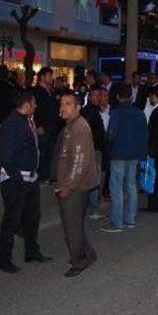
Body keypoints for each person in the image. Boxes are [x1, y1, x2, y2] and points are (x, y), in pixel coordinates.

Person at [0, 90, 52, 273]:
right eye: (34, 102)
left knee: (32, 217)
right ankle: (3, 259)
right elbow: (5, 156)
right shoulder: (12, 124)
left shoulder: (28, 120)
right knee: (11, 220)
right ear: (26, 104)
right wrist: (18, 178)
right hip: (15, 180)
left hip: (30, 178)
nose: (36, 105)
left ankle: (32, 251)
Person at [54, 93, 98, 277]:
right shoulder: (70, 126)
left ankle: (79, 260)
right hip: (71, 183)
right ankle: (88, 254)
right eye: (61, 104)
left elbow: (79, 161)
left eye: (68, 104)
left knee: (72, 225)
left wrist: (68, 186)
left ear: (78, 107)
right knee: (75, 223)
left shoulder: (79, 127)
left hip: (75, 186)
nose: (63, 107)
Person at [102, 84, 148, 232]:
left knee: (116, 188)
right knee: (131, 186)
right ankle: (130, 219)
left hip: (118, 154)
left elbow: (111, 134)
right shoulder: (139, 112)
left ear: (116, 97)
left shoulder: (115, 113)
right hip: (134, 154)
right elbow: (144, 133)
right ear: (131, 96)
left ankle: (117, 223)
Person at [80, 86, 106, 220]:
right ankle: (92, 209)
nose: (97, 98)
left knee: (91, 179)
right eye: (95, 95)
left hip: (94, 148)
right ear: (89, 97)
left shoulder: (93, 111)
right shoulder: (89, 112)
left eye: (99, 95)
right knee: (93, 180)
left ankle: (90, 208)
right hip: (92, 149)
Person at [33, 67, 60, 185]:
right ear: (43, 77)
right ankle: (40, 175)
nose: (51, 78)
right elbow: (36, 110)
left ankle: (48, 175)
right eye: (49, 76)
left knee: (50, 151)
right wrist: (38, 125)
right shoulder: (37, 91)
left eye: (51, 76)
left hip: (52, 125)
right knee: (42, 151)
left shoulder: (51, 91)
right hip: (43, 126)